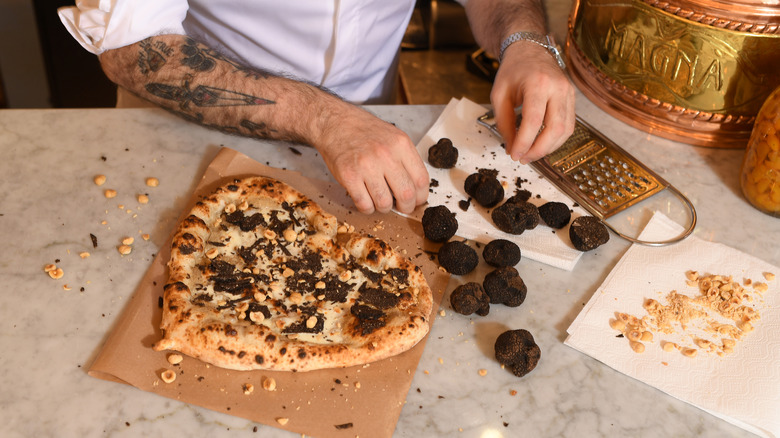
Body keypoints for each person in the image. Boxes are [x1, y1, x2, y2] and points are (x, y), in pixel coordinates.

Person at [59, 0, 575, 215]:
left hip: (373, 128)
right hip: (195, 127)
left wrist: (524, 40)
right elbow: (134, 53)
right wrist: (323, 117)